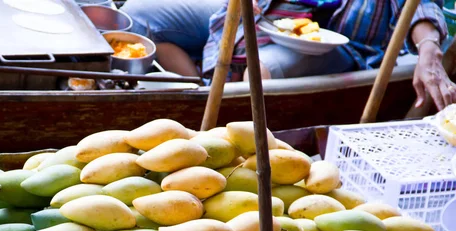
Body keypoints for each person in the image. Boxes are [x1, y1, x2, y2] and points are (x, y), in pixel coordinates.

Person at [122, 0, 455, 110]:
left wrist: (429, 49)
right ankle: (200, 91)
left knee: (264, 68)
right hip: (270, 12)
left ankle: (227, 110)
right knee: (140, 15)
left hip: (341, 43)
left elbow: (422, 6)